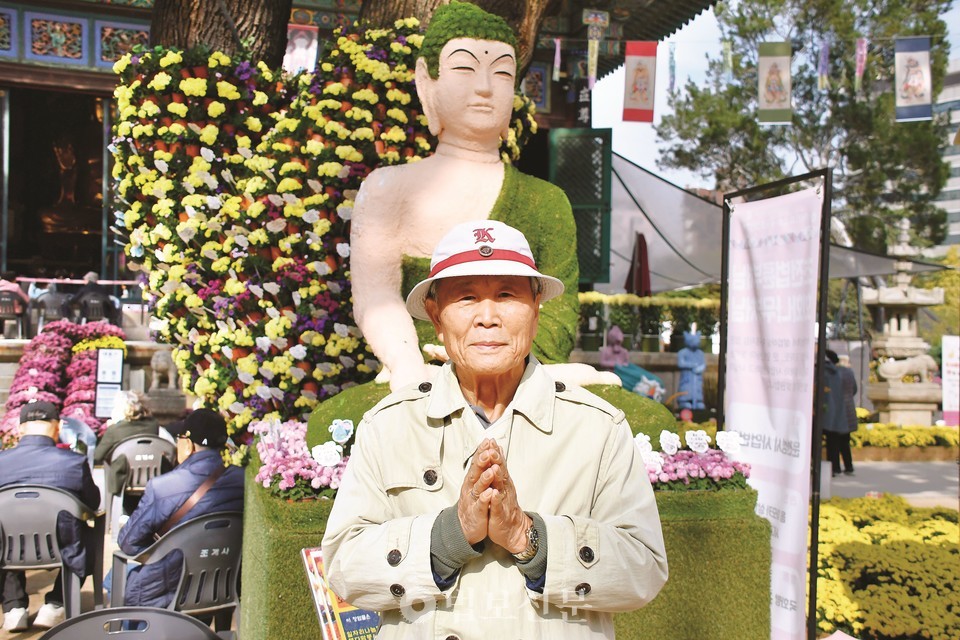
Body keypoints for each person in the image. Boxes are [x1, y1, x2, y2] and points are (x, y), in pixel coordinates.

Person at [322, 221, 668, 638]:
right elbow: (343, 565)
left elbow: (645, 569)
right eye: (466, 297)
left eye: (507, 295)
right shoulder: (390, 424)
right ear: (435, 315)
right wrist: (449, 535)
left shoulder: (598, 428)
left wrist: (529, 536)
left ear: (536, 307)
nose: (488, 317)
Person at [349, 2, 614, 391]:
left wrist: (499, 367)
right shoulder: (389, 189)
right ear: (427, 81)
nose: (485, 87)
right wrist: (406, 364)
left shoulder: (545, 200)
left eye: (503, 72)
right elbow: (376, 298)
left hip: (525, 375)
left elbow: (556, 314)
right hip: (418, 372)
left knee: (614, 405)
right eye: (463, 68)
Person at [114, 408, 244, 608]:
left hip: (164, 591)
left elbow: (128, 543)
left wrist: (159, 546)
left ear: (188, 444)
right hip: (221, 586)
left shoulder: (162, 487)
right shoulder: (243, 480)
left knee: (113, 579)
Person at [0, 402, 101, 631]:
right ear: (57, 427)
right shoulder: (74, 463)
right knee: (88, 532)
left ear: (20, 428)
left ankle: (13, 608)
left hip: (7, 549)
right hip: (62, 547)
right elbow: (93, 504)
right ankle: (55, 604)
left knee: (6, 527)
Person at [94, 391, 171, 513]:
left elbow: (97, 456)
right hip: (151, 477)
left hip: (124, 480)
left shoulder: (115, 430)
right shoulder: (153, 425)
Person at [821, 350, 853, 477]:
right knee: (843, 441)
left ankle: (835, 467)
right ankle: (847, 466)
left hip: (831, 410)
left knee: (832, 441)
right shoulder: (847, 373)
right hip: (845, 409)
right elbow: (854, 389)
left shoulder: (825, 373)